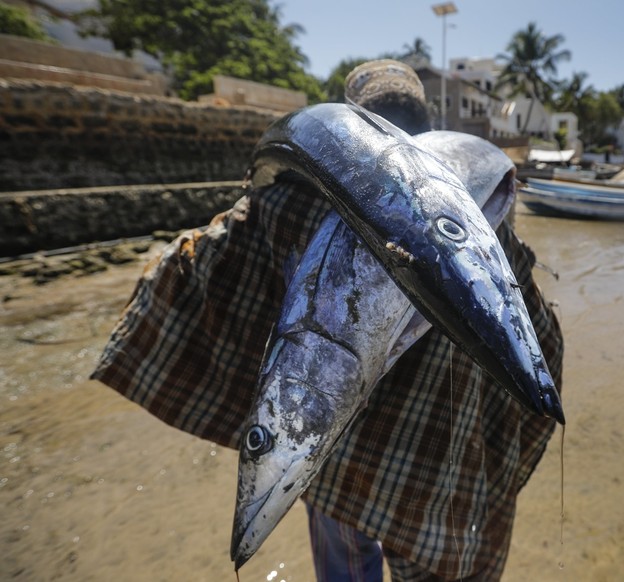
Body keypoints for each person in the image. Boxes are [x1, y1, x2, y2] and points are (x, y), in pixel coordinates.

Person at [91, 59, 563, 581]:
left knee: (344, 565)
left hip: (339, 472)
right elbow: (540, 334)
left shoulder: (277, 207)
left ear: (360, 117)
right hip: (430, 476)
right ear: (418, 118)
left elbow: (192, 263)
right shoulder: (496, 230)